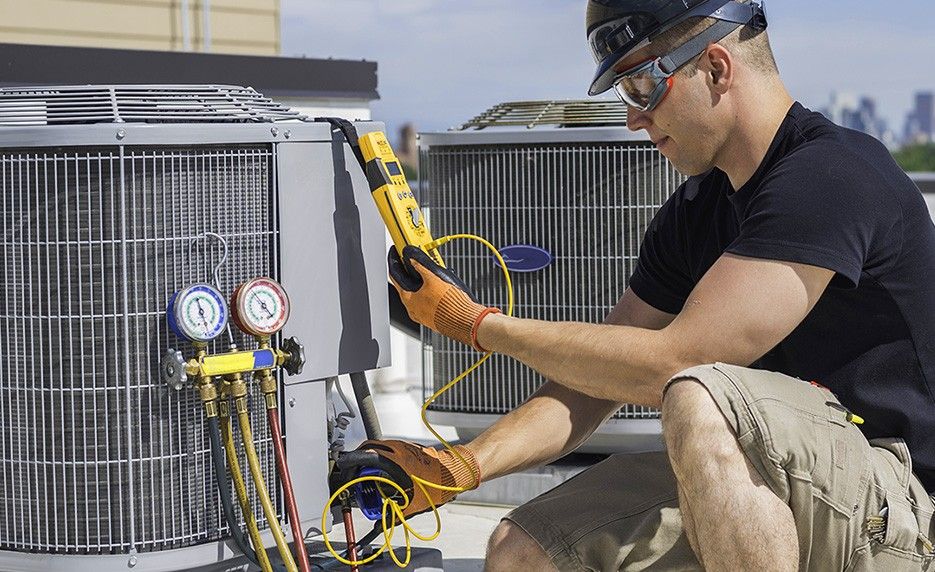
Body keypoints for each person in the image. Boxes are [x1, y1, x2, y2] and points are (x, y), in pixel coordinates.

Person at [361, 0, 935, 569]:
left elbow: (676, 364)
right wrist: (464, 465)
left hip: (903, 505)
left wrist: (478, 325)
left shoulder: (833, 174)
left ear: (715, 67)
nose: (634, 118)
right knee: (525, 549)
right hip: (787, 485)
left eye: (640, 88)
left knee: (699, 397)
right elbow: (595, 384)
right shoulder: (695, 212)